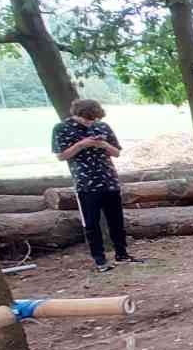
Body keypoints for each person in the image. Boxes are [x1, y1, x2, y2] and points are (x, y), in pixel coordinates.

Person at [52, 99, 135, 273]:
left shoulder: (102, 126)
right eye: (87, 119)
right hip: (85, 183)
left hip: (109, 180)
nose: (91, 122)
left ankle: (122, 253)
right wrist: (82, 144)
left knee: (116, 220)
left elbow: (117, 152)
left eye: (94, 119)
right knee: (91, 223)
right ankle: (100, 260)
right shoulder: (61, 128)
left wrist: (103, 144)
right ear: (76, 115)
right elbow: (61, 156)